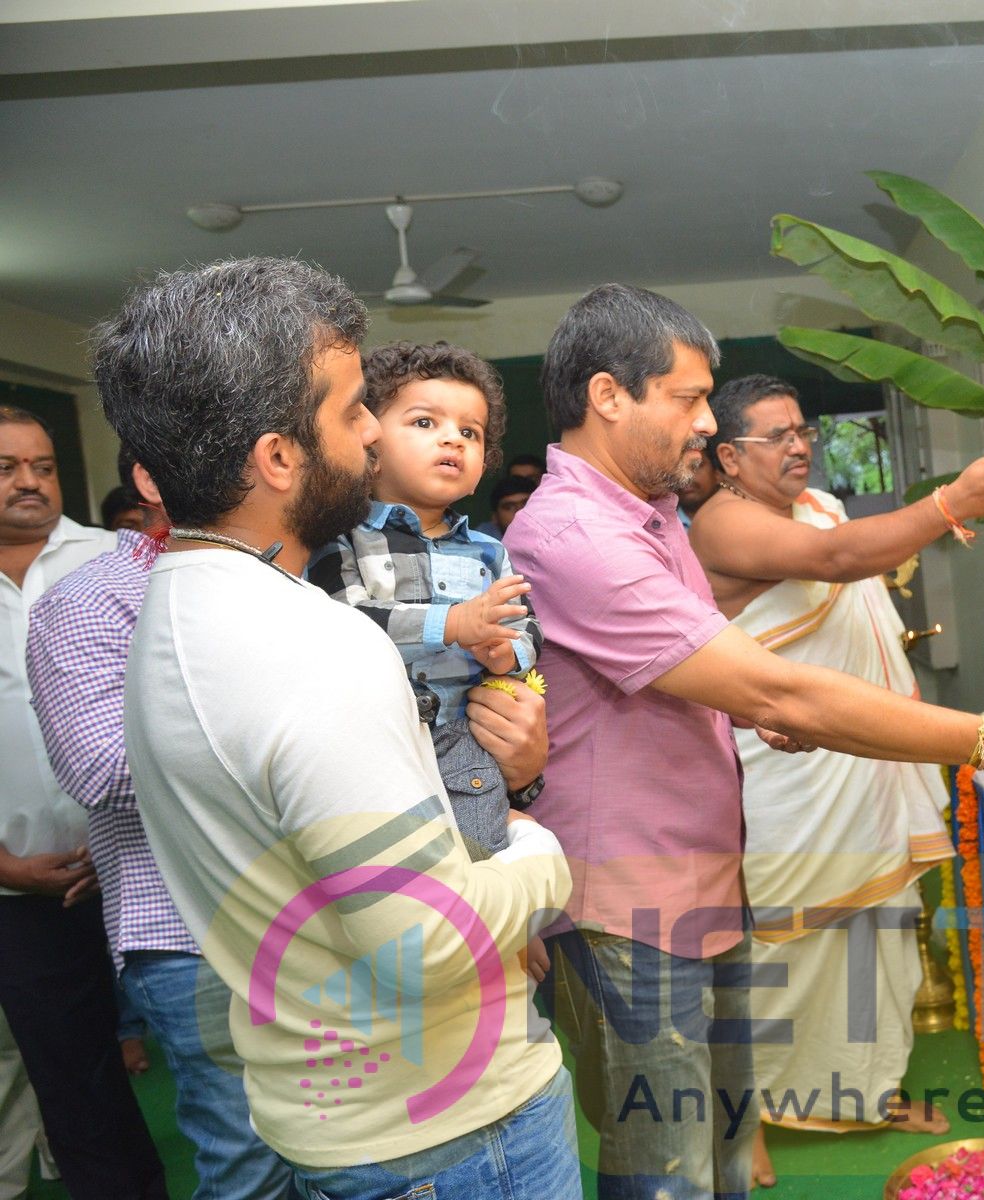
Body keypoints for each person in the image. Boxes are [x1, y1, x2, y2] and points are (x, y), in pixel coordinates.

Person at [505, 283, 984, 1200]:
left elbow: (702, 669)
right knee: (668, 1174)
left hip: (698, 869)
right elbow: (776, 678)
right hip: (626, 901)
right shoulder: (576, 531)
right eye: (689, 398)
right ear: (608, 396)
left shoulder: (649, 516)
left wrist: (741, 711)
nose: (705, 424)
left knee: (725, 1154)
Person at [95, 257, 577, 1198]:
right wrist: (536, 849)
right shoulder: (314, 644)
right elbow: (425, 946)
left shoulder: (178, 610)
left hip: (340, 1113)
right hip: (453, 1130)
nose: (372, 434)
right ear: (279, 458)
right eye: (357, 410)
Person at [685, 374, 984, 1182]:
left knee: (879, 941)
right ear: (729, 457)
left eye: (803, 429)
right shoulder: (722, 524)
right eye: (778, 436)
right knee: (778, 953)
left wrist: (928, 527)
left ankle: (864, 1093)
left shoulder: (823, 506)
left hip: (866, 769)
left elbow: (850, 552)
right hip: (787, 778)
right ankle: (743, 1121)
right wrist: (952, 504)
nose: (800, 445)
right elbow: (837, 562)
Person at [28, 453, 297, 1200]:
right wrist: (282, 739)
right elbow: (101, 769)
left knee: (333, 1145)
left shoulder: (284, 580)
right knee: (251, 1159)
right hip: (190, 932)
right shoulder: (90, 601)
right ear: (153, 478)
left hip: (314, 910)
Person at [0, 406, 166, 1199]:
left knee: (214, 1068)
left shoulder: (114, 561)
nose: (29, 481)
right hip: (23, 890)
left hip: (145, 868)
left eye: (42, 465)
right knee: (79, 1091)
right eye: (5, 467)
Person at [307, 341, 545, 857]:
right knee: (390, 882)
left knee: (481, 878)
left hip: (467, 749)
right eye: (424, 423)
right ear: (367, 439)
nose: (452, 441)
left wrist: (510, 652)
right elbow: (347, 621)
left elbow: (527, 624)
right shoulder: (342, 540)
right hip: (373, 750)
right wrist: (454, 623)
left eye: (470, 432)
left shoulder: (489, 552)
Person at [675, 450, 718, 528]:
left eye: (695, 466)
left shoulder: (736, 521)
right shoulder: (658, 530)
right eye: (676, 468)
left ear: (717, 472)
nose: (686, 478)